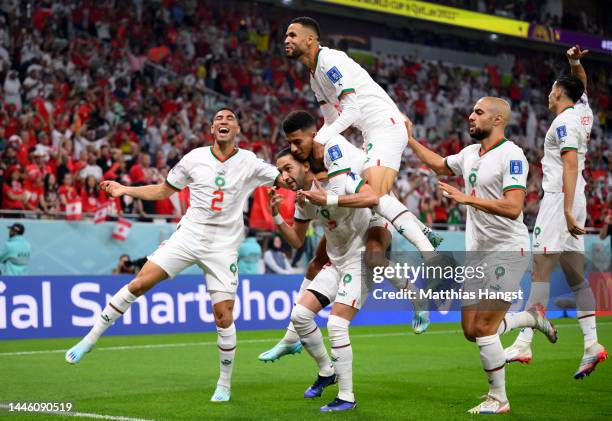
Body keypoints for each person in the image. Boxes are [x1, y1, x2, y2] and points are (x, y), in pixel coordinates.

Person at [64, 108, 283, 403]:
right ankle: (90, 339)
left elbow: (285, 178)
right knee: (139, 283)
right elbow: (162, 191)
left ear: (238, 130)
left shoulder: (250, 162)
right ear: (210, 129)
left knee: (223, 316)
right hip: (188, 236)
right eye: (218, 118)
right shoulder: (193, 158)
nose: (224, 121)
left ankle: (224, 383)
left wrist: (305, 180)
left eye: (230, 118)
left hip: (223, 246)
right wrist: (123, 189)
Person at [407, 97, 558, 414]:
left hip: (507, 250)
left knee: (486, 328)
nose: (470, 116)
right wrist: (408, 139)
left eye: (478, 112)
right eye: (472, 111)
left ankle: (499, 399)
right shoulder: (469, 154)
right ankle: (530, 319)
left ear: (499, 118)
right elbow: (439, 165)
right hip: (477, 255)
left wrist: (466, 199)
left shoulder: (512, 155)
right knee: (471, 331)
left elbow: (514, 206)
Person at [284, 17, 442, 250]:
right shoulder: (314, 76)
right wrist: (320, 139)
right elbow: (331, 120)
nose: (286, 40)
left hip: (385, 128)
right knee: (368, 190)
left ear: (310, 39)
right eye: (286, 36)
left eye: (292, 35)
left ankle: (432, 256)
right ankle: (424, 230)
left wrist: (320, 140)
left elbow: (352, 110)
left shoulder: (329, 61)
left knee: (374, 195)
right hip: (372, 133)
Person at [505, 46, 608, 379]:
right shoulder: (582, 113)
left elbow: (569, 162)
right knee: (577, 277)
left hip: (560, 198)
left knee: (541, 268)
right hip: (576, 196)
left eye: (551, 90)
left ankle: (522, 342)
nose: (548, 95)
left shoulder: (564, 122)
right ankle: (592, 345)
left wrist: (564, 208)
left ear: (560, 94)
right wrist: (575, 63)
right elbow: (582, 86)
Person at [271, 147, 382, 412]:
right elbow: (297, 240)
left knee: (336, 324)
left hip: (362, 260)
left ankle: (346, 397)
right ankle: (327, 370)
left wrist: (329, 200)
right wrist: (276, 215)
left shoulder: (340, 179)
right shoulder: (303, 199)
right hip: (336, 263)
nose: (283, 176)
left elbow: (372, 196)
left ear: (305, 167)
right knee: (299, 316)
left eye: (288, 168)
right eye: (280, 171)